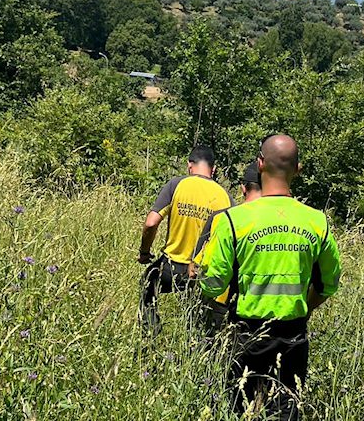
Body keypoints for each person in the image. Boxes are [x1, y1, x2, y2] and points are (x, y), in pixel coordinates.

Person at [199, 135, 341, 420]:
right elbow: (329, 284)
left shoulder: (233, 220)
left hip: (246, 335)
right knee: (287, 411)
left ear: (260, 164)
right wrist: (305, 308)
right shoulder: (317, 221)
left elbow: (213, 282)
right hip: (294, 336)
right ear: (298, 169)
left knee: (239, 410)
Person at [138, 145, 234, 334]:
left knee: (147, 285)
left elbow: (151, 223)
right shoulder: (226, 197)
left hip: (171, 268)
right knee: (197, 321)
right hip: (203, 273)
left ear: (189, 165)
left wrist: (144, 252)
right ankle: (193, 350)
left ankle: (151, 336)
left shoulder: (177, 185)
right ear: (213, 170)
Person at [189, 160, 262, 334]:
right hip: (256, 309)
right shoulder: (275, 224)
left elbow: (194, 267)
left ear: (243, 188)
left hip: (216, 302)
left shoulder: (223, 218)